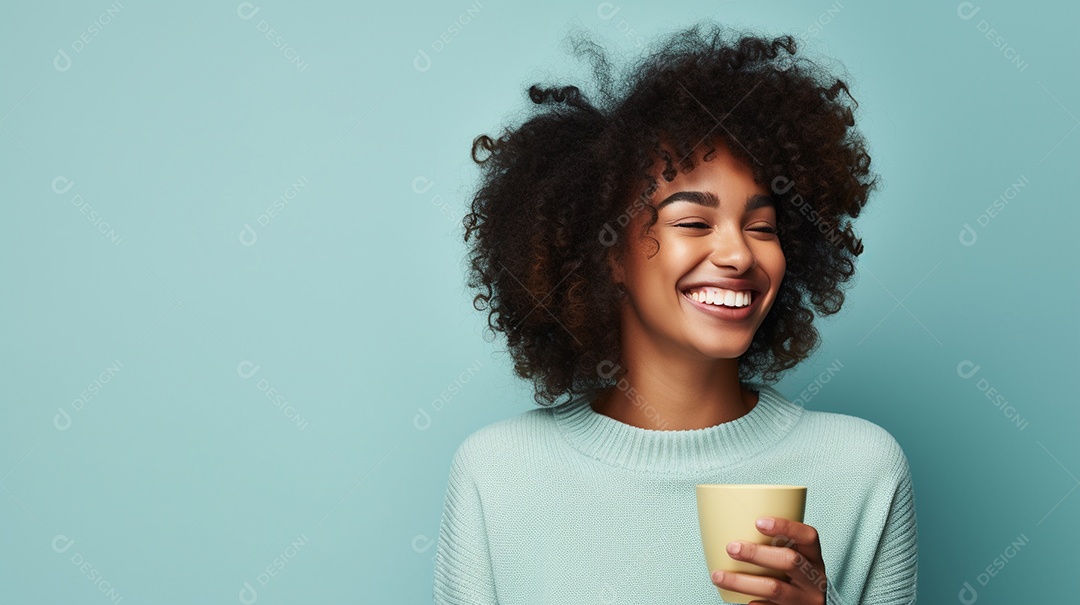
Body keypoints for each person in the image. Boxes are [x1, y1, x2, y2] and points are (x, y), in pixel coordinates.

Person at [433, 21, 917, 605]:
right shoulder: (497, 475)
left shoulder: (861, 470)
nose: (740, 254)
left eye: (762, 227)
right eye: (693, 222)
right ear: (609, 253)